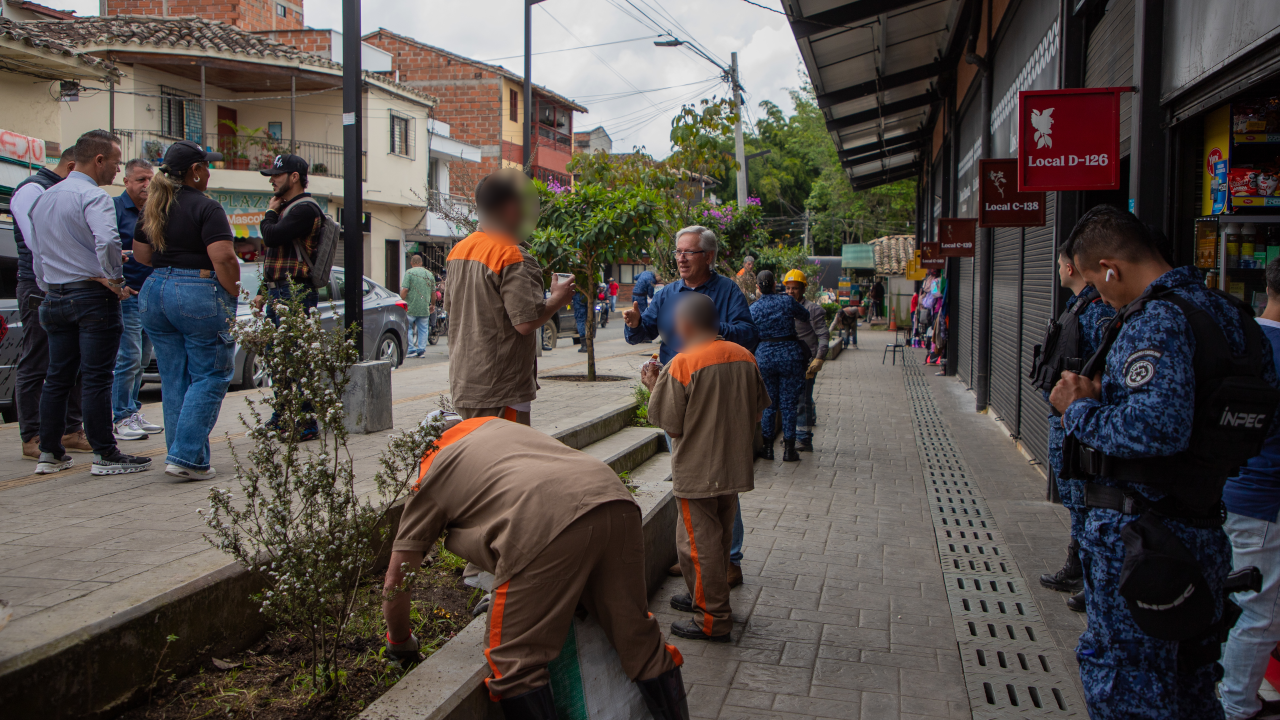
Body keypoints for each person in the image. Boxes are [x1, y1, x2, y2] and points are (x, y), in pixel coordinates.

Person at [1049, 205, 1278, 719]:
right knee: (1191, 680)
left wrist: (1079, 408)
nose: (1097, 297)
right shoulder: (1230, 315)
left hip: (1142, 540)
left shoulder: (1157, 319)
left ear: (1110, 267)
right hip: (1203, 526)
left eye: (1094, 283)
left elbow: (1154, 429)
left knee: (1128, 684)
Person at [383, 412, 689, 720]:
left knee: (515, 665)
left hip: (542, 524)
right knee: (637, 638)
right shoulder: (492, 426)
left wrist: (400, 643)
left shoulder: (431, 470)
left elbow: (397, 579)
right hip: (613, 499)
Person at [625, 225, 758, 579]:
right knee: (686, 475)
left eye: (689, 252)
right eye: (678, 252)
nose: (681, 258)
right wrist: (636, 323)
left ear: (709, 257)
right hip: (677, 393)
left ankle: (729, 559)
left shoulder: (727, 291)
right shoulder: (668, 293)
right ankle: (697, 555)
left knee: (721, 479)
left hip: (715, 394)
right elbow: (645, 332)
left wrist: (708, 331)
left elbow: (748, 333)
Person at [642, 294, 770, 643]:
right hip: (733, 467)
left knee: (698, 545)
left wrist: (654, 386)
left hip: (698, 470)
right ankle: (703, 595)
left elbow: (672, 426)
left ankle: (713, 618)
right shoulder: (745, 356)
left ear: (684, 325)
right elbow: (759, 412)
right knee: (720, 538)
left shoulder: (682, 364)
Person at [26, 130, 151, 476]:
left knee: (58, 376)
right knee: (97, 377)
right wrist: (115, 280)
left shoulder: (44, 198)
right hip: (93, 298)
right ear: (99, 160)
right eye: (115, 163)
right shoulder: (93, 196)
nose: (116, 170)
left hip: (54, 295)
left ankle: (49, 452)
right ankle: (106, 454)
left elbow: (37, 251)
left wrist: (49, 284)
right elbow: (108, 240)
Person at [133, 140, 239, 481]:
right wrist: (232, 293)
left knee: (175, 377)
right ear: (195, 171)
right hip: (196, 292)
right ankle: (186, 457)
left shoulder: (153, 206)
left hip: (154, 291)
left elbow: (141, 256)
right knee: (209, 375)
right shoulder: (207, 208)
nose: (209, 173)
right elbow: (223, 256)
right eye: (206, 166)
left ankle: (180, 456)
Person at [446, 169, 573, 425]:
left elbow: (452, 308)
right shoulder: (512, 255)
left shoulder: (459, 250)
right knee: (509, 460)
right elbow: (525, 323)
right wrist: (557, 300)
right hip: (501, 387)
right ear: (512, 208)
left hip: (465, 382)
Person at [1032, 240, 1116, 614]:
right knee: (1075, 500)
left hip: (1081, 424)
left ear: (1069, 268)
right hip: (1067, 420)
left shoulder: (1096, 312)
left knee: (1084, 500)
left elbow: (1104, 369)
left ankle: (1088, 576)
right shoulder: (1080, 306)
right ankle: (1078, 566)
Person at [1219, 257, 1280, 720]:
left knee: (1234, 601)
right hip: (1265, 501)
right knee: (1259, 612)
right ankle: (1236, 706)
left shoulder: (1239, 337)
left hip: (1226, 490)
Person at [10, 146, 88, 460]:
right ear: (71, 166)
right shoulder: (32, 190)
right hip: (39, 284)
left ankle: (71, 430)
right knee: (37, 359)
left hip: (66, 283)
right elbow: (37, 241)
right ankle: (32, 435)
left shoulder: (61, 192)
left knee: (75, 359)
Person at [256, 154, 324, 441]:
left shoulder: (304, 209)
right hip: (278, 290)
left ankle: (307, 422)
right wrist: (263, 291)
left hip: (295, 292)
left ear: (294, 177)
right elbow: (276, 255)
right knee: (277, 359)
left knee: (297, 358)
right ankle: (282, 415)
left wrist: (270, 213)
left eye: (277, 175)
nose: (272, 179)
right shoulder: (287, 209)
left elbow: (272, 237)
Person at [111, 158, 162, 442]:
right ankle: (120, 417)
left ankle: (132, 410)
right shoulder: (114, 209)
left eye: (150, 179)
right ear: (126, 181)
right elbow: (105, 248)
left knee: (142, 359)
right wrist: (118, 285)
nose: (147, 185)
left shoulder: (154, 211)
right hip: (126, 295)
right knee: (128, 358)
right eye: (141, 179)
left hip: (150, 295)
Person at [750, 271, 811, 463]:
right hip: (789, 354)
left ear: (758, 287)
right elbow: (805, 315)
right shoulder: (786, 301)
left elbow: (750, 331)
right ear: (776, 284)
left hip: (765, 355)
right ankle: (789, 449)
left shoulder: (754, 308)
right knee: (789, 404)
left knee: (769, 403)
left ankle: (768, 449)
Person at [783, 270, 829, 452]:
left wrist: (819, 358)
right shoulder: (784, 308)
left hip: (806, 361)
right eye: (788, 288)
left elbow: (823, 336)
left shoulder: (813, 310)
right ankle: (793, 436)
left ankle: (803, 439)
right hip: (788, 360)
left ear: (803, 289)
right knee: (792, 400)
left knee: (802, 401)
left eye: (795, 288)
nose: (791, 292)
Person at [400, 255, 435, 358]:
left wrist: (401, 300)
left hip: (410, 307)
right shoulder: (429, 274)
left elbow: (405, 289)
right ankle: (421, 350)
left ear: (411, 263)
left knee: (408, 327)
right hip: (424, 308)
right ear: (421, 263)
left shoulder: (409, 273)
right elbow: (433, 292)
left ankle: (411, 349)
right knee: (423, 329)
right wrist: (432, 304)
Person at [572, 289, 589, 353]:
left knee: (580, 320)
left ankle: (584, 345)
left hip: (578, 295)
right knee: (589, 318)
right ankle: (588, 345)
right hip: (587, 294)